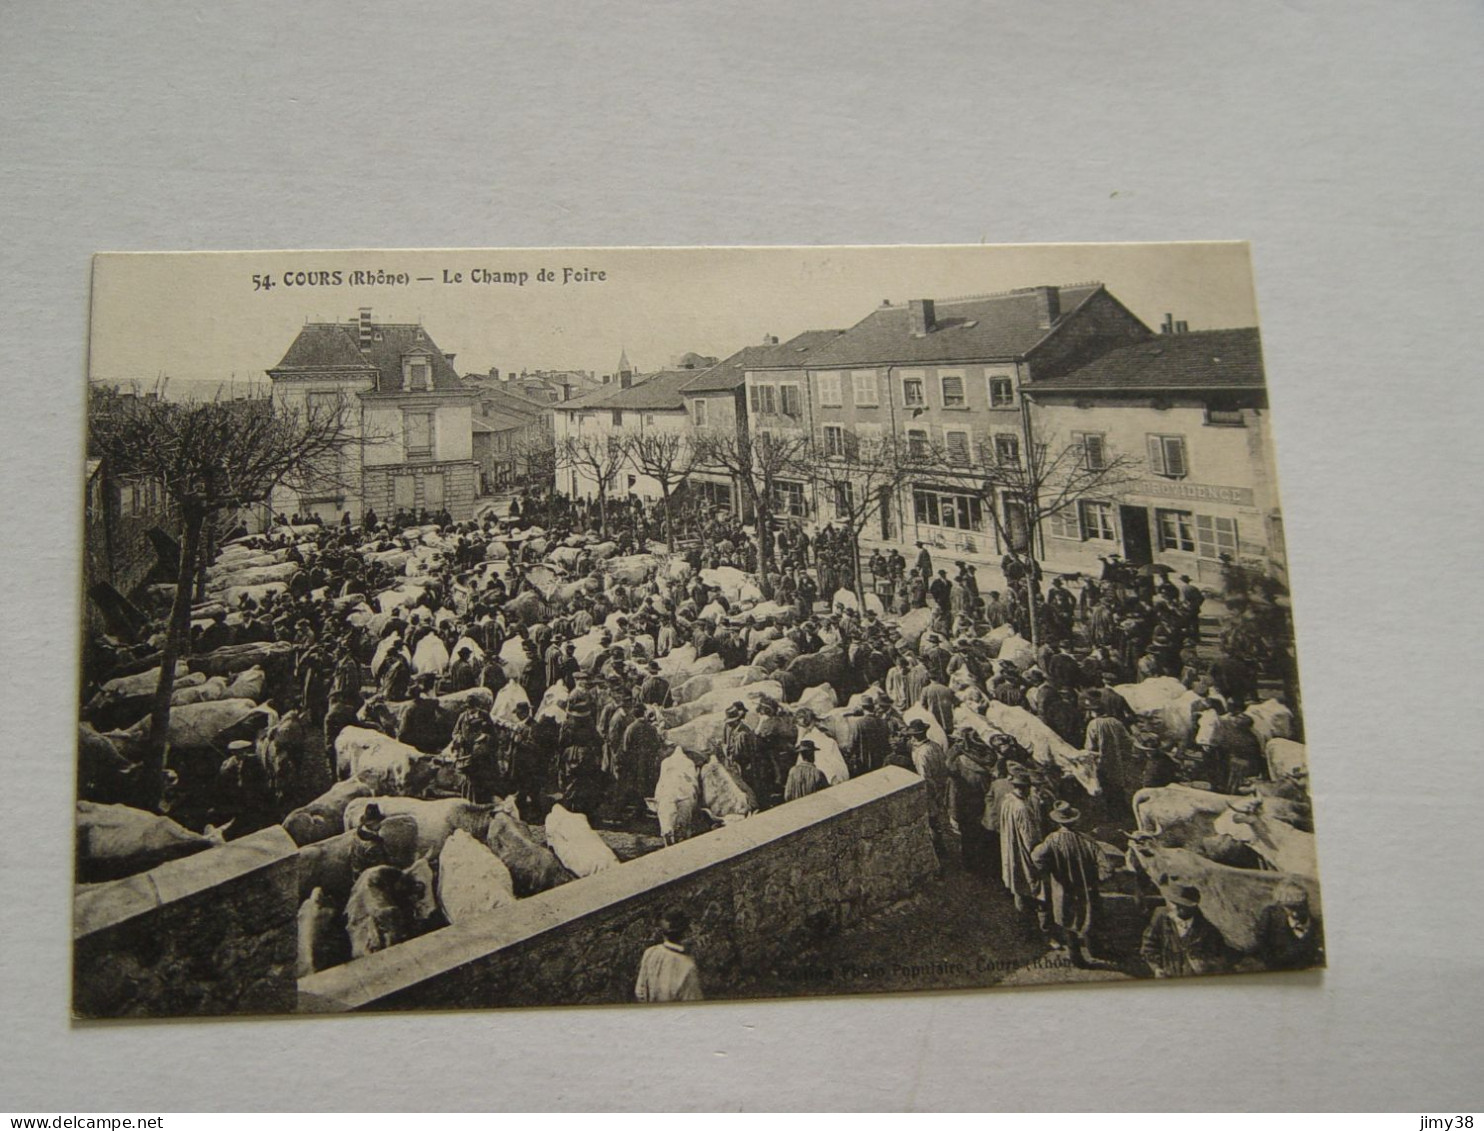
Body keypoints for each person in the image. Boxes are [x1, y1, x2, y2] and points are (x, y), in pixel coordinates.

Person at [1030, 802, 1104, 966]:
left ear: (1058, 822)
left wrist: (1050, 869)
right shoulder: (1087, 840)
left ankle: (1076, 957)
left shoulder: (1052, 840)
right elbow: (1106, 865)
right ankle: (1094, 949)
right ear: (1075, 821)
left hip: (1063, 889)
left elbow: (1036, 857)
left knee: (1068, 922)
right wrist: (1097, 878)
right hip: (1086, 888)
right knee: (1088, 917)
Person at [1140, 885, 1230, 978]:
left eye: (1184, 905)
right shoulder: (1162, 917)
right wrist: (1156, 968)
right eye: (1176, 904)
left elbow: (1217, 954)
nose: (1178, 908)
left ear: (1194, 907)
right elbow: (1149, 944)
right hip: (1168, 976)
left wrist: (1204, 966)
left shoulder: (1205, 926)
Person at [634, 908, 704, 1003]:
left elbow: (639, 992)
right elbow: (693, 1006)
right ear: (686, 933)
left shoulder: (650, 952)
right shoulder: (688, 966)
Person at [1253, 880, 1324, 970]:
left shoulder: (1308, 917)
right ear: (1281, 904)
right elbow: (1261, 938)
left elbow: (1313, 939)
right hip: (1277, 962)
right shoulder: (1271, 914)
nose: (1295, 913)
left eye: (1299, 907)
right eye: (1290, 908)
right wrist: (1269, 960)